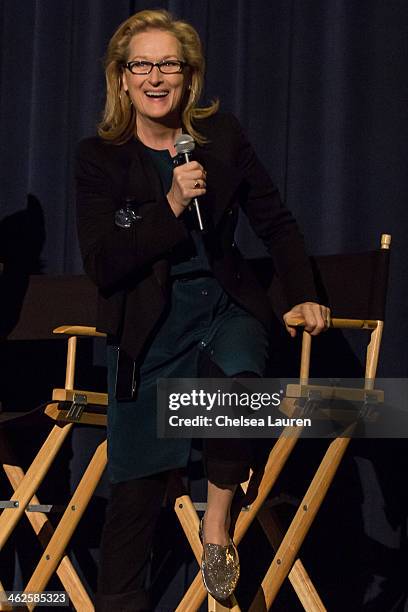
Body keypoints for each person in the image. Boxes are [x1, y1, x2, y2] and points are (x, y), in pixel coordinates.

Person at [75, 8, 330, 611]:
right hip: (149, 331)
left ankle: (217, 523)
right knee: (133, 497)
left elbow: (277, 223)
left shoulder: (222, 140)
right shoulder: (99, 158)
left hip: (222, 308)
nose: (155, 77)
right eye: (142, 65)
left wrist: (305, 291)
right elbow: (105, 262)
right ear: (122, 78)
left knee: (237, 379)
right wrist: (167, 202)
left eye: (169, 64)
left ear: (189, 78)